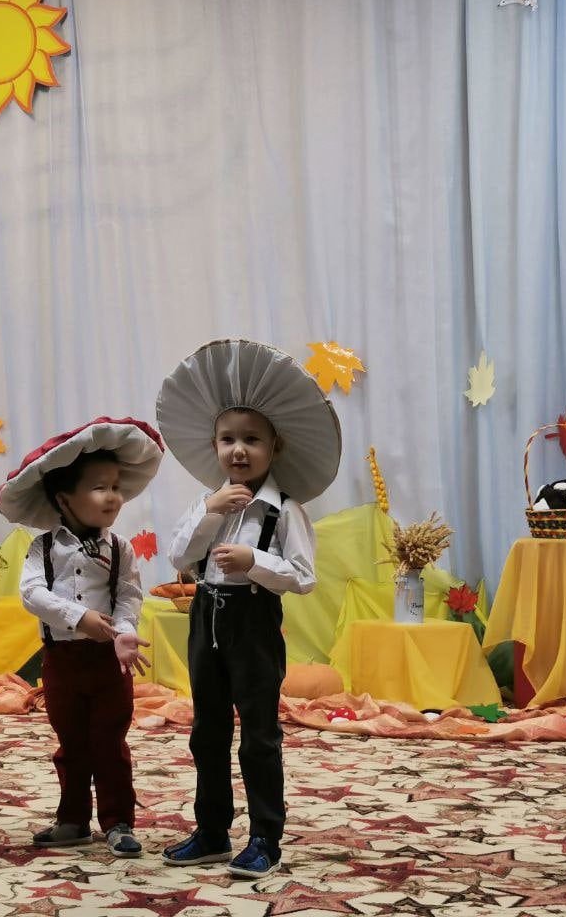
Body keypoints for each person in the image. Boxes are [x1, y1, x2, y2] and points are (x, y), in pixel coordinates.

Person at [156, 339, 341, 877]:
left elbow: (303, 578)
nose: (239, 451)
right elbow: (179, 556)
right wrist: (211, 513)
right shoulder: (206, 502)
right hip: (205, 617)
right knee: (206, 731)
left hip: (253, 623)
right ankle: (212, 830)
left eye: (252, 440)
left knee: (259, 733)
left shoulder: (284, 511)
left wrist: (254, 561)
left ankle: (265, 837)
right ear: (214, 445)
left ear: (274, 447)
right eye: (228, 439)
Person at [0, 417, 163, 858]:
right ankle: (72, 819)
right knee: (71, 744)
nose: (113, 497)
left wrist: (123, 633)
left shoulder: (121, 548)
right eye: (99, 487)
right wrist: (78, 617)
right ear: (63, 498)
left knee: (110, 743)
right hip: (62, 663)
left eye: (117, 487)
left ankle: (118, 821)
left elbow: (129, 596)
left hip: (110, 663)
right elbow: (32, 593)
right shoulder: (43, 548)